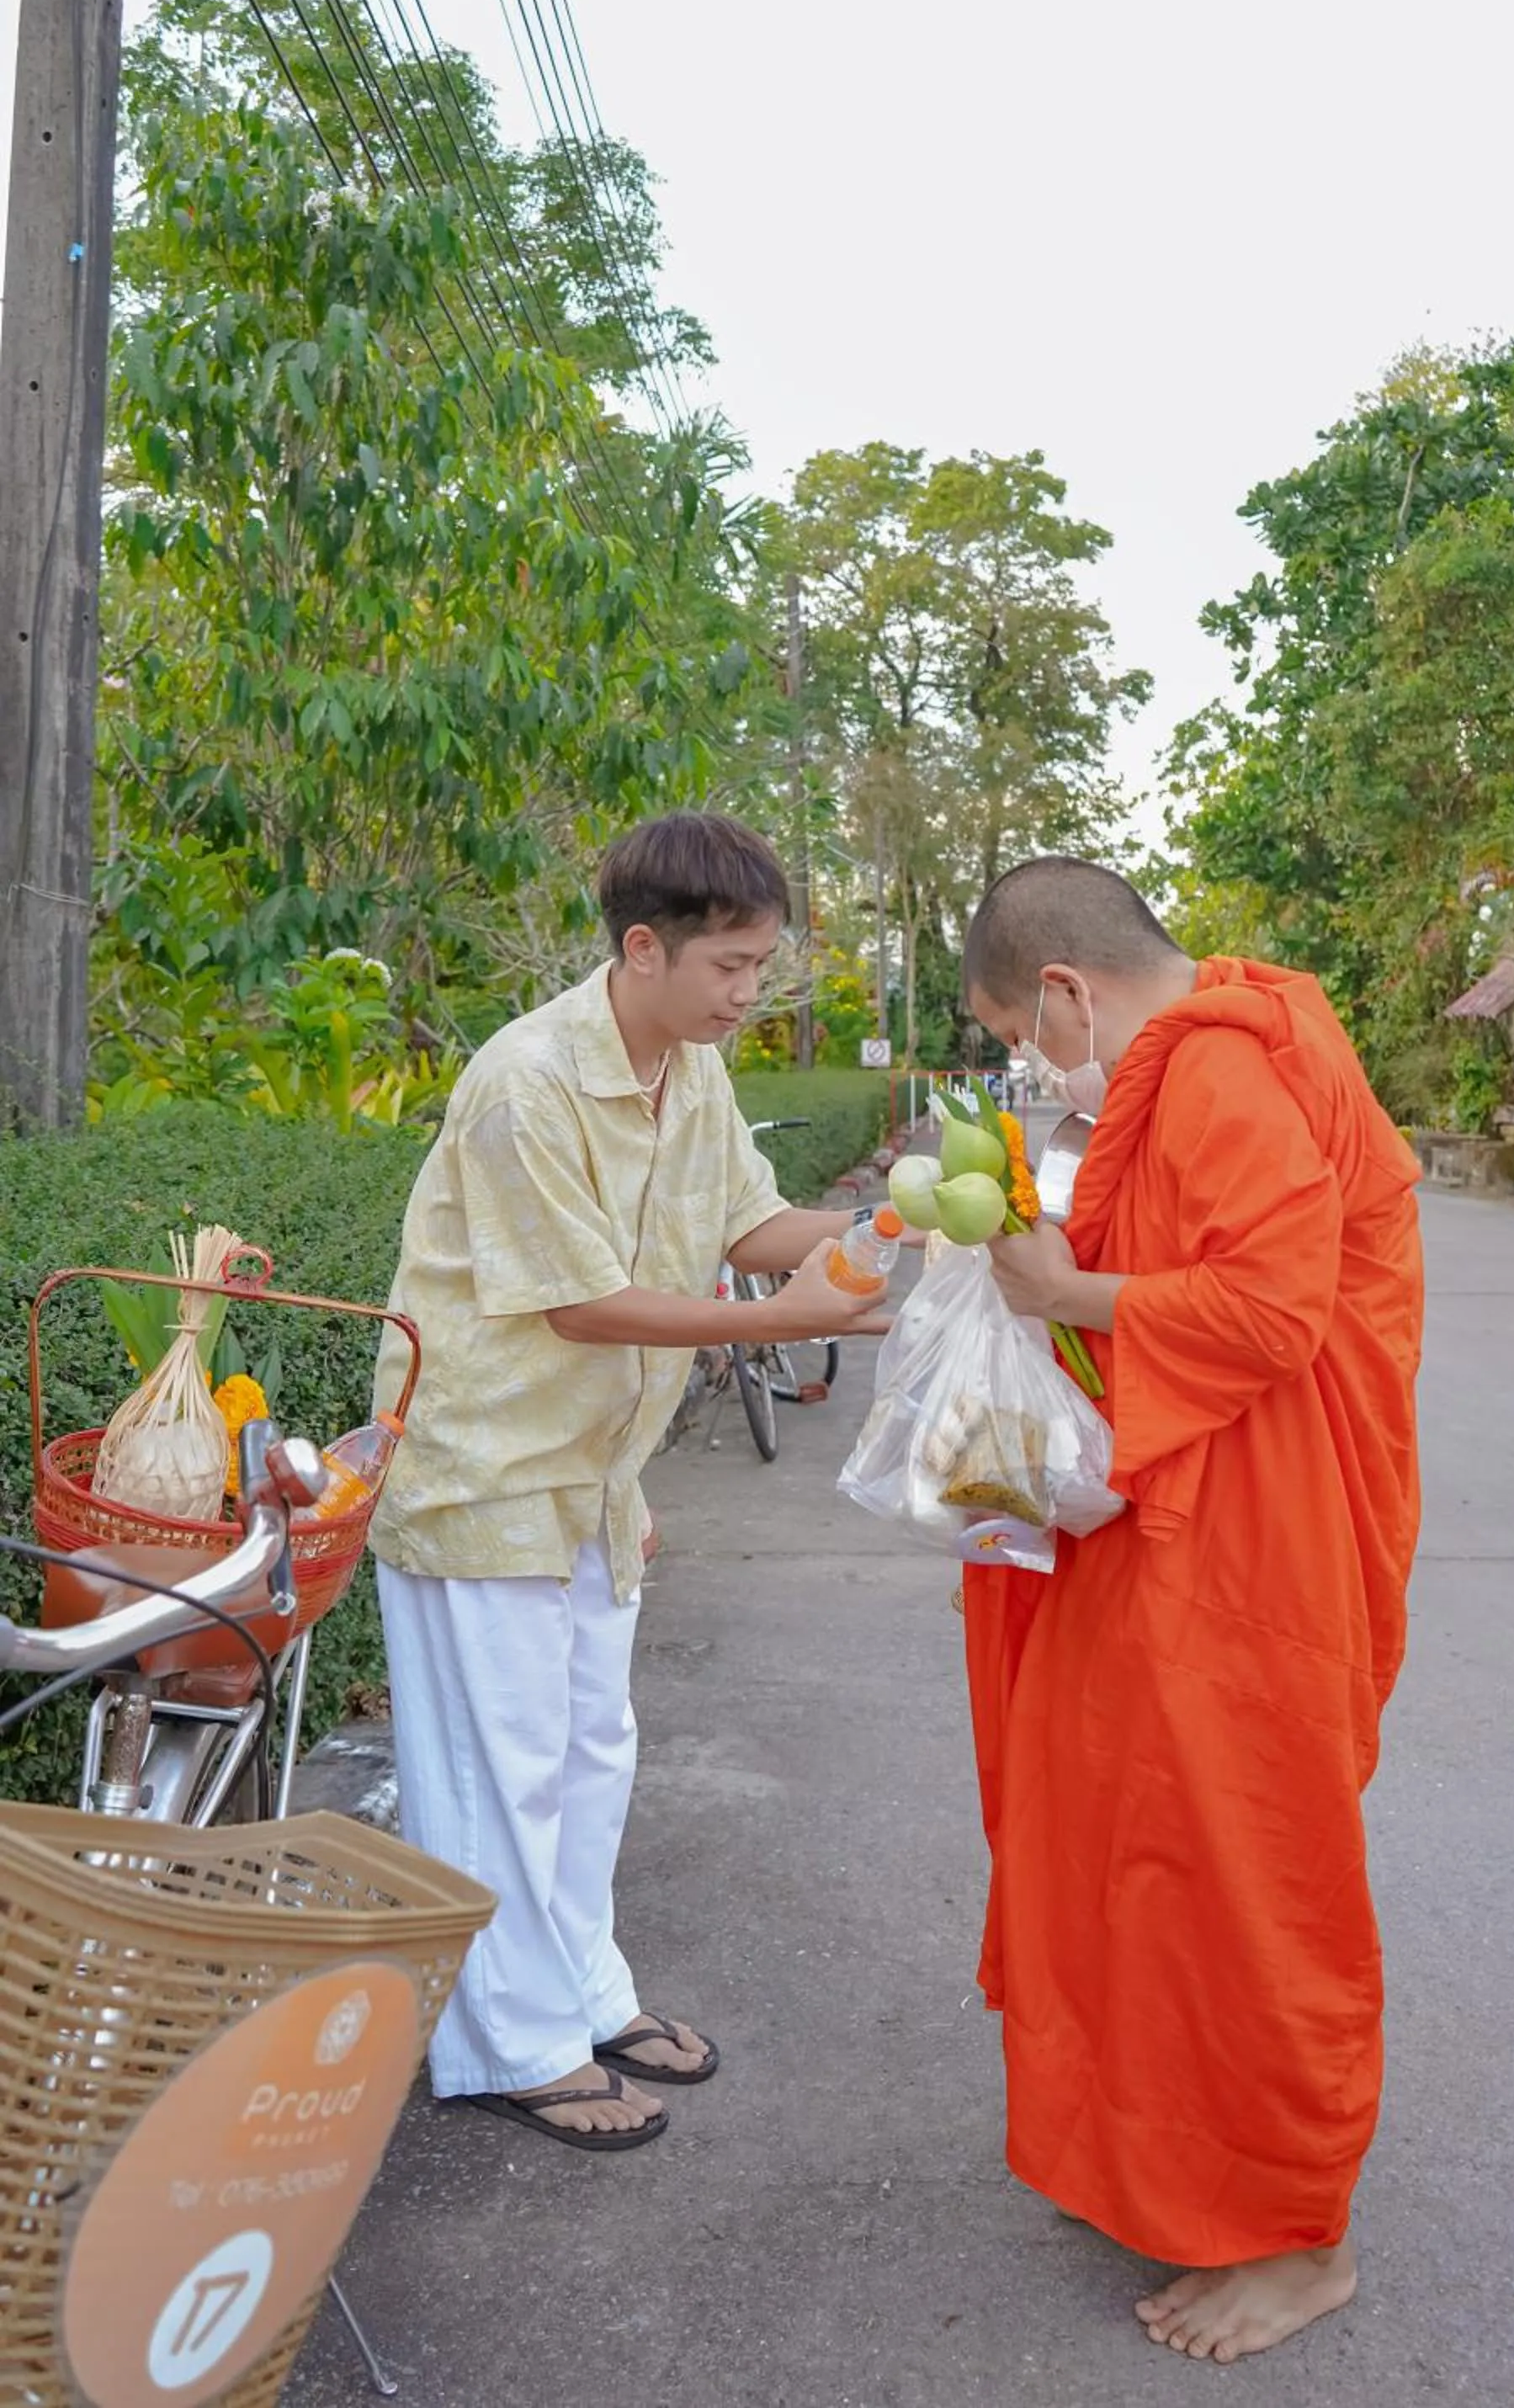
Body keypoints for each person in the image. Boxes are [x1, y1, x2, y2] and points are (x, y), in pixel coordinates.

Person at [959, 857, 1424, 2365]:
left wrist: (1058, 1291)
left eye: (1022, 1042)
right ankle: (1150, 2164)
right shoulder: (1212, 1047)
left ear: (1067, 993)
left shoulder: (1220, 1069)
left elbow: (1275, 1312)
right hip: (1173, 1519)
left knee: (1239, 1869)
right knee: (1124, 1842)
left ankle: (1303, 2237)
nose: (1031, 1071)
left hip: (1254, 1544)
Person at [370, 812, 888, 2153]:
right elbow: (586, 1307)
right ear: (643, 947)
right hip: (484, 1469)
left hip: (592, 1474)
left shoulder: (690, 1069)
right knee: (503, 1774)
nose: (747, 993)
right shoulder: (525, 1079)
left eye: (761, 965)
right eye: (729, 965)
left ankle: (582, 1997)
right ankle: (505, 2047)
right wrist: (790, 1322)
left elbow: (752, 1227)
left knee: (592, 1751)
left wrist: (909, 1227)